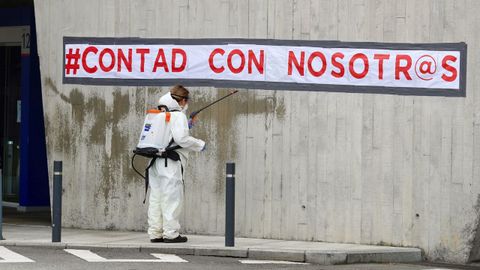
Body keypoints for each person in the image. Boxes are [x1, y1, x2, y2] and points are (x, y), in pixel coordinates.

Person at [147, 85, 205, 243]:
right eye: (187, 101)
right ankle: (171, 233)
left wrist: (188, 125)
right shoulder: (178, 116)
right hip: (170, 163)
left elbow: (168, 135)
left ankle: (155, 233)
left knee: (156, 197)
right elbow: (181, 139)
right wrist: (200, 144)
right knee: (171, 197)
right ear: (183, 101)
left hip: (154, 161)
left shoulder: (159, 113)